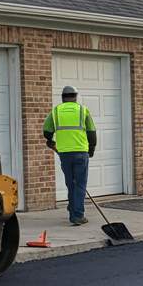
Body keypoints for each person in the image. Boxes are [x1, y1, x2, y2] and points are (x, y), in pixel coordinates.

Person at [43, 86, 98, 226]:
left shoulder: (56, 111)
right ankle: (78, 215)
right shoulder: (83, 110)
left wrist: (50, 140)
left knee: (70, 183)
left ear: (62, 97)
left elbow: (47, 131)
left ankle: (73, 209)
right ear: (75, 97)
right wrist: (91, 149)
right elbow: (92, 132)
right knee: (80, 184)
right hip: (81, 152)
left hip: (64, 154)